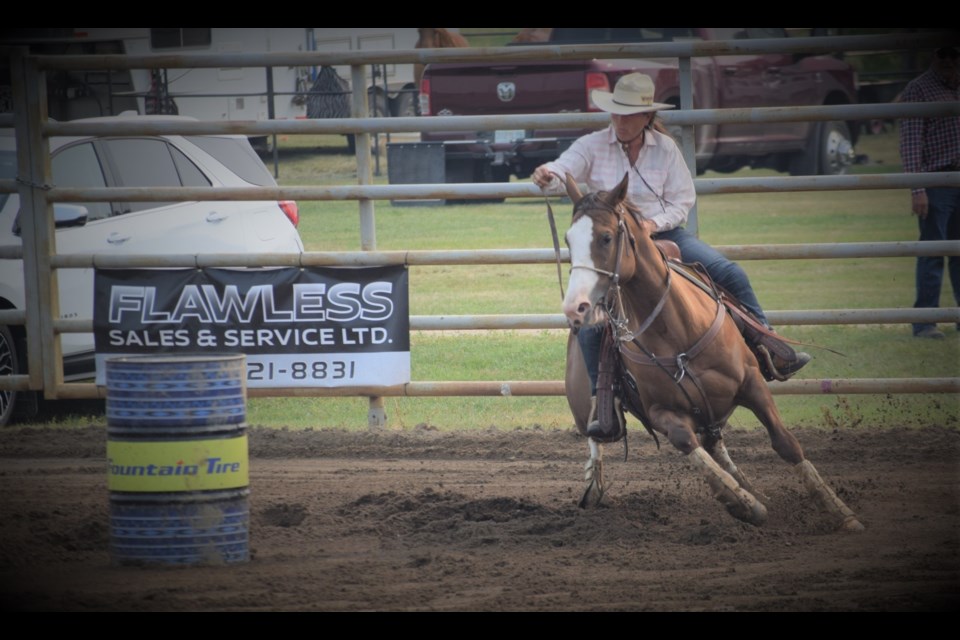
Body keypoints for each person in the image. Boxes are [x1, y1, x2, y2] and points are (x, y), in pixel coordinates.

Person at [532, 72, 810, 439]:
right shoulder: (592, 144)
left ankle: (768, 344)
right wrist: (547, 173)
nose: (620, 121)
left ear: (647, 117)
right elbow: (563, 168)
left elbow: (682, 201)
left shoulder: (664, 149)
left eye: (629, 115)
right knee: (591, 317)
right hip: (612, 244)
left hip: (663, 233)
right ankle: (603, 396)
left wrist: (649, 225)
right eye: (616, 114)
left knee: (730, 273)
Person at [897, 46, 960, 340]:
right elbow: (910, 143)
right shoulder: (918, 89)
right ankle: (925, 321)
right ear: (933, 56)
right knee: (932, 251)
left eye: (954, 54)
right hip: (936, 180)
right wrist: (918, 186)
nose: (949, 60)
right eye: (943, 54)